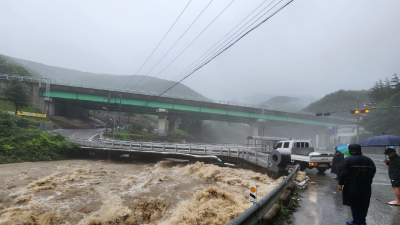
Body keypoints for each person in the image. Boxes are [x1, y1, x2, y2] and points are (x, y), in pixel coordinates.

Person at [338, 144, 376, 225]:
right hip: (366, 185)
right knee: (364, 203)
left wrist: (340, 184)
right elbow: (373, 171)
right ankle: (363, 221)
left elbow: (344, 173)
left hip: (353, 185)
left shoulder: (348, 160)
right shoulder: (368, 160)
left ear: (350, 150)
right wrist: (368, 180)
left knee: (355, 203)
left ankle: (356, 222)